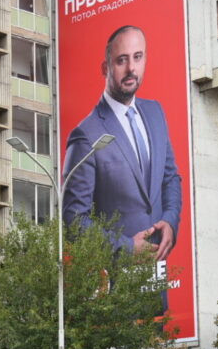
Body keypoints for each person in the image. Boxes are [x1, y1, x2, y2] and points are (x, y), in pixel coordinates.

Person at [62, 25, 182, 265]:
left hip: (158, 270)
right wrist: (126, 248)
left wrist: (170, 221)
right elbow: (74, 220)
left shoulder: (155, 113)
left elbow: (170, 178)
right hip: (114, 276)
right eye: (121, 60)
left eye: (137, 57)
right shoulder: (86, 135)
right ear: (105, 68)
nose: (131, 69)